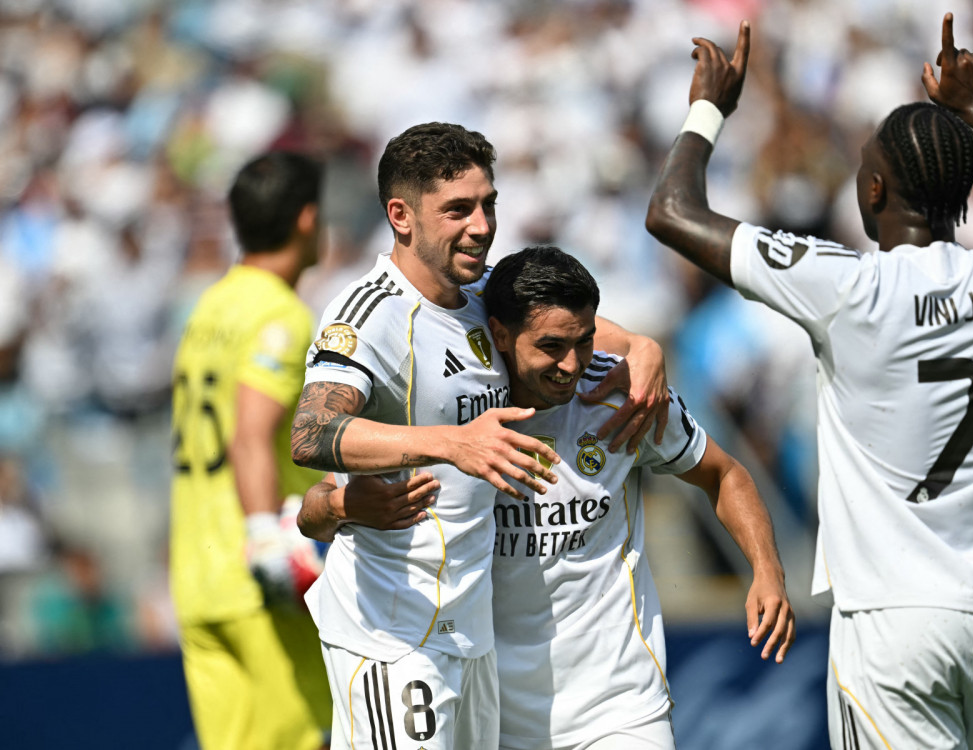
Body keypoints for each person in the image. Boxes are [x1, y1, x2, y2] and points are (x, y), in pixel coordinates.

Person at [645, 14, 973, 750]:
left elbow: (671, 212)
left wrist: (708, 110)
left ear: (876, 188)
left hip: (893, 616)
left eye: (861, 165)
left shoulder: (847, 287)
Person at [300, 245, 796, 749]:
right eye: (551, 346)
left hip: (620, 709)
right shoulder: (448, 417)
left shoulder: (621, 400)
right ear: (499, 334)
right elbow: (314, 508)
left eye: (584, 342)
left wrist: (767, 571)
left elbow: (724, 474)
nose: (571, 364)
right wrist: (341, 508)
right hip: (494, 714)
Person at [289, 123, 671, 750]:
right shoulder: (369, 314)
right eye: (458, 209)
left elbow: (568, 328)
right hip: (393, 635)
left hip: (471, 639)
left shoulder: (478, 291)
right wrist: (452, 443)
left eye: (488, 204)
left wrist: (641, 346)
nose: (482, 225)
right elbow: (310, 433)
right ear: (401, 216)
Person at [169, 152, 332, 750]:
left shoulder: (209, 306)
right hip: (262, 577)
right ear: (308, 219)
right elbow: (250, 432)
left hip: (198, 575)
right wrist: (265, 537)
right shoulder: (280, 314)